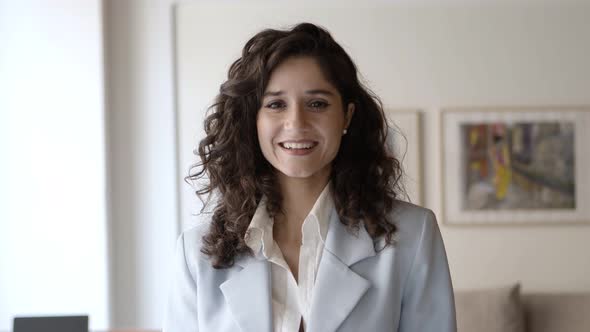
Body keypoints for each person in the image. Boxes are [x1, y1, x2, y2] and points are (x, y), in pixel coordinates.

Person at [164, 23, 456, 332]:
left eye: (317, 103)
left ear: (347, 116)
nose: (296, 123)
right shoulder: (195, 253)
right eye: (276, 104)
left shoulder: (413, 234)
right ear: (253, 120)